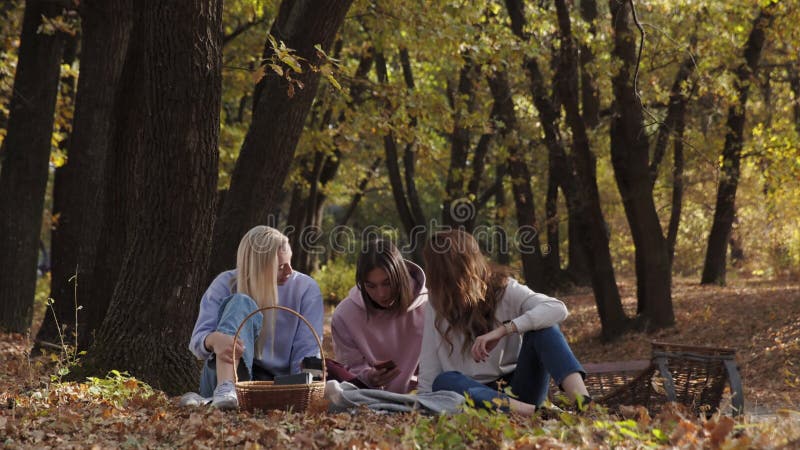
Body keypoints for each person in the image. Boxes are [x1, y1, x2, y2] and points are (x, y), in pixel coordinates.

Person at [418, 229, 591, 416]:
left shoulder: (505, 289)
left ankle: (586, 409)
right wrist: (421, 407)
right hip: (475, 396)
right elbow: (430, 367)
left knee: (545, 328)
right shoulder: (435, 304)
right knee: (443, 381)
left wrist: (503, 330)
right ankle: (538, 415)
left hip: (519, 389)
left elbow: (557, 309)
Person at [188, 225, 324, 409]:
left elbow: (307, 347)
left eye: (290, 262)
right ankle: (225, 390)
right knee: (240, 302)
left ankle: (210, 401)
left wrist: (306, 382)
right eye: (280, 267)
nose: (289, 271)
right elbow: (197, 343)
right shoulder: (226, 283)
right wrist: (214, 340)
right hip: (225, 377)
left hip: (274, 385)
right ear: (259, 268)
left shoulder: (305, 289)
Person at [331, 238, 428, 393]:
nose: (381, 294)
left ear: (401, 275)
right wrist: (369, 377)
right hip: (368, 396)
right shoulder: (344, 315)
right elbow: (350, 370)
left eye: (387, 283)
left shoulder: (429, 306)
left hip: (423, 395)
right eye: (371, 286)